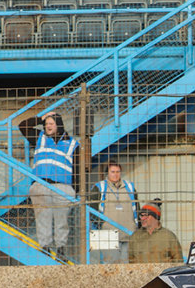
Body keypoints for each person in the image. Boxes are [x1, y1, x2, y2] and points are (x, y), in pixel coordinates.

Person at [18, 111, 80, 258]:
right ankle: (45, 247)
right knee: (43, 217)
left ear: (59, 125)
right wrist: (41, 118)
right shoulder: (40, 138)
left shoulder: (73, 144)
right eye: (46, 124)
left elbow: (77, 170)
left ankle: (60, 248)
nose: (48, 126)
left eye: (51, 123)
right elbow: (23, 126)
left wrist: (74, 190)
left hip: (63, 186)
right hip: (41, 184)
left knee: (61, 220)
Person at [86, 160, 139, 263]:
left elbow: (137, 207)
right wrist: (101, 225)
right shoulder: (99, 187)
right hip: (108, 234)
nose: (116, 174)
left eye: (118, 172)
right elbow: (91, 208)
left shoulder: (130, 187)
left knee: (127, 266)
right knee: (110, 265)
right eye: (113, 172)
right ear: (107, 173)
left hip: (128, 233)